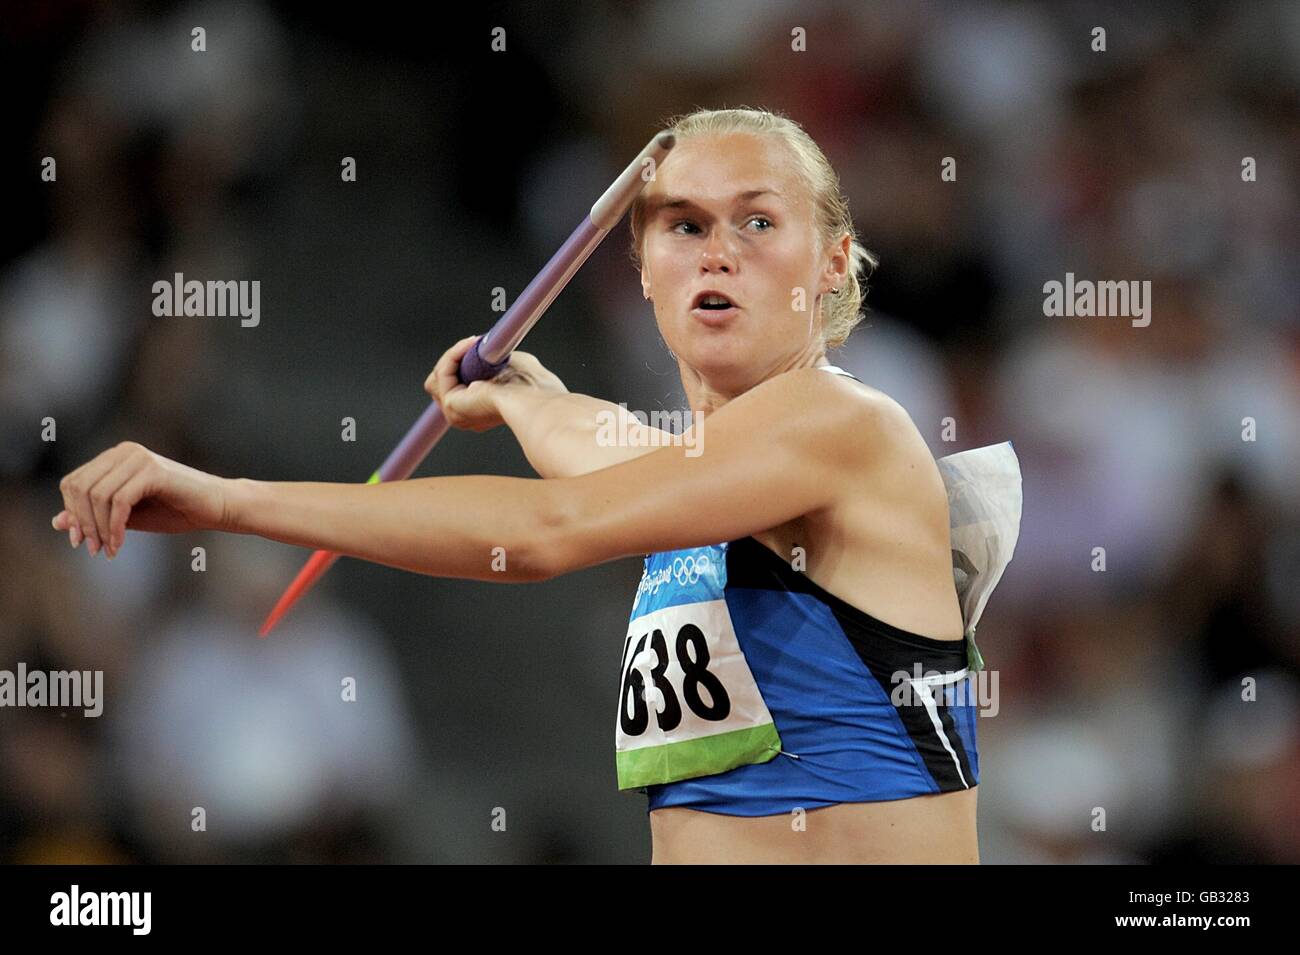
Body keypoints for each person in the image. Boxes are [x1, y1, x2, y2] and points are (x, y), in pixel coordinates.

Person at [52, 107, 981, 863]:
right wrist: (533, 400)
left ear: (830, 264)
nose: (716, 250)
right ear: (644, 274)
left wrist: (229, 500)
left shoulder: (844, 424)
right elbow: (610, 451)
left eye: (759, 220)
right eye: (684, 224)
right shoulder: (701, 472)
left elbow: (548, 526)